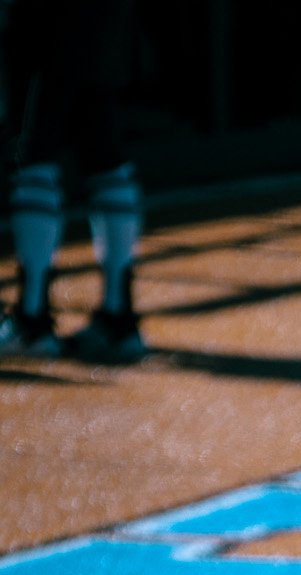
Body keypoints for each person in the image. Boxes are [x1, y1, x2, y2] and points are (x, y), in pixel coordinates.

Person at [0, 0, 146, 362]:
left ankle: (31, 321)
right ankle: (118, 318)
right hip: (106, 20)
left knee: (35, 153)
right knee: (103, 153)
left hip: (49, 23)